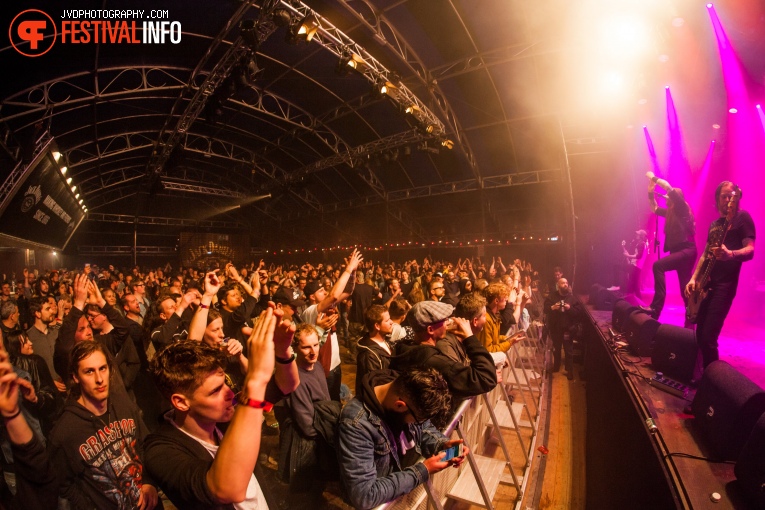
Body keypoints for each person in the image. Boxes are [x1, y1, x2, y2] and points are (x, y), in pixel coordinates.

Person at [144, 306, 299, 510]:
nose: (228, 393)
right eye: (215, 390)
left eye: (225, 382)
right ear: (181, 402)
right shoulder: (161, 450)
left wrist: (282, 350)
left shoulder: (223, 415)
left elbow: (286, 385)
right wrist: (256, 378)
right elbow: (226, 489)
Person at [48, 341, 159, 509]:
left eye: (103, 368)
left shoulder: (123, 404)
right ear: (75, 377)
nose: (99, 379)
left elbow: (144, 445)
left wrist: (149, 482)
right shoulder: (64, 432)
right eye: (89, 372)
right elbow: (63, 485)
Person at [336, 368, 467, 510]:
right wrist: (423, 470)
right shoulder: (356, 424)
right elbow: (365, 496)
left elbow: (423, 428)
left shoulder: (408, 391)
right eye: (416, 420)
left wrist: (442, 444)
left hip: (401, 495)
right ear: (400, 405)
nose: (417, 424)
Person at [685, 181, 755, 368]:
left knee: (708, 337)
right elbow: (706, 254)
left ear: (736, 198)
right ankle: (701, 374)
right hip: (707, 284)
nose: (727, 199)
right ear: (717, 200)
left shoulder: (742, 218)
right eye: (723, 196)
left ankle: (712, 383)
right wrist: (694, 278)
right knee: (700, 334)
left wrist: (730, 254)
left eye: (730, 195)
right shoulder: (715, 225)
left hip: (725, 285)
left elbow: (750, 250)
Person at [644, 172, 697, 321]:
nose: (668, 197)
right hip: (681, 252)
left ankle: (655, 308)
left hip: (687, 250)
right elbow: (653, 208)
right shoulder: (670, 213)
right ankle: (692, 316)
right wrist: (650, 191)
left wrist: (653, 178)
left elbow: (667, 187)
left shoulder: (682, 208)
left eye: (671, 195)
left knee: (658, 266)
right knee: (684, 287)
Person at [544, 278, 583, 380]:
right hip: (555, 328)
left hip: (567, 329)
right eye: (563, 283)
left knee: (568, 350)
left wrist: (569, 308)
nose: (565, 284)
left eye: (566, 283)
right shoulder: (552, 296)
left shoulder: (572, 298)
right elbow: (545, 309)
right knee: (556, 349)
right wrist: (553, 307)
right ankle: (556, 366)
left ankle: (569, 370)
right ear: (558, 284)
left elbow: (578, 313)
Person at [355, 304, 394, 395]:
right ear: (377, 326)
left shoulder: (385, 341)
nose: (391, 322)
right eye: (387, 320)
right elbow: (373, 385)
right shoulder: (369, 355)